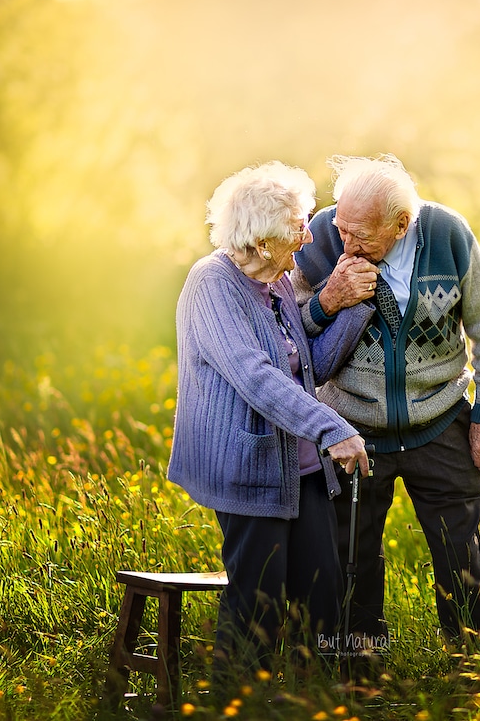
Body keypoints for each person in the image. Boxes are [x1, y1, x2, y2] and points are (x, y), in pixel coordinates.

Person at [292, 153, 480, 661]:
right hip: (350, 425)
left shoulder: (448, 236)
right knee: (353, 555)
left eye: (361, 235)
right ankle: (358, 667)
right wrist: (328, 300)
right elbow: (289, 334)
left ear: (402, 224)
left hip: (438, 419)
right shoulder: (321, 236)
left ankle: (476, 660)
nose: (345, 243)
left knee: (459, 549)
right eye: (342, 226)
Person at [167, 161, 373, 682]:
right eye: (297, 228)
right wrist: (333, 428)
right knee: (258, 607)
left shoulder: (277, 283)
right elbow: (256, 378)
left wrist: (352, 306)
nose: (307, 238)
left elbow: (309, 367)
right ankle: (238, 705)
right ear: (261, 243)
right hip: (249, 466)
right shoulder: (210, 285)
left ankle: (314, 702)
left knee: (322, 595)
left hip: (300, 470)